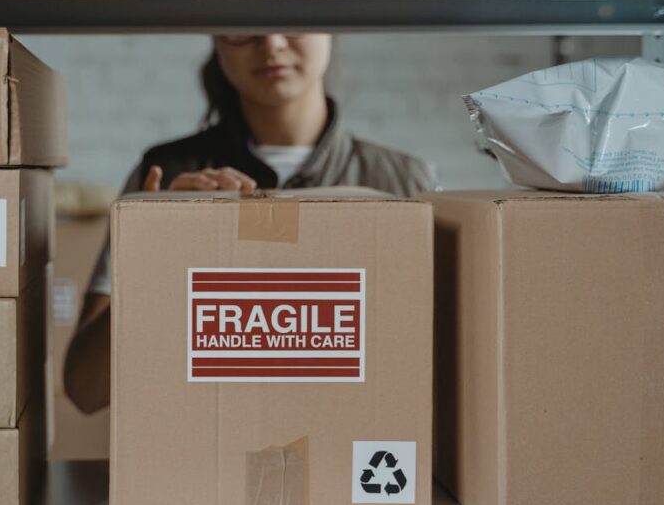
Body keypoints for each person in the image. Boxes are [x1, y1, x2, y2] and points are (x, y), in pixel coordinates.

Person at [64, 33, 438, 413]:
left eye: (292, 19)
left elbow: (439, 376)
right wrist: (158, 253)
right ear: (216, 38)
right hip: (200, 455)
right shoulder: (164, 175)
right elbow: (85, 389)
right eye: (244, 25)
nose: (271, 43)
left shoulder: (406, 185)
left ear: (331, 27)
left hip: (353, 453)